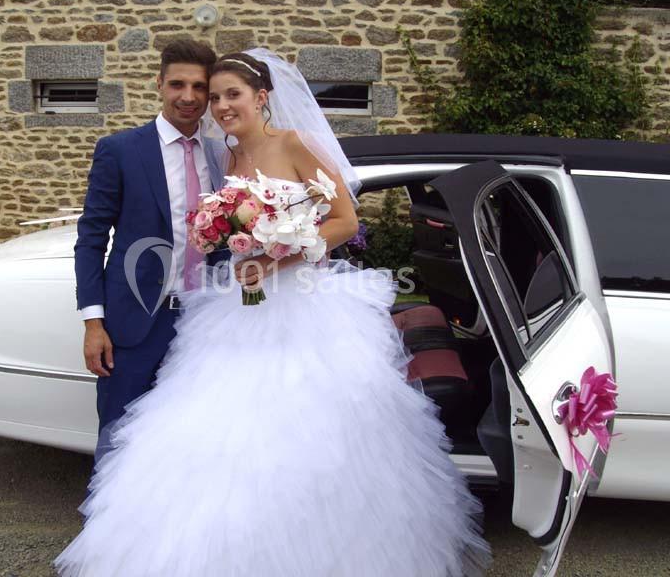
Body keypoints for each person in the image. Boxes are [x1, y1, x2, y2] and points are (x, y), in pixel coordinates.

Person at [57, 49, 490, 576]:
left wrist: (281, 250)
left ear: (262, 96)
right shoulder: (219, 156)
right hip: (222, 309)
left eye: (225, 94)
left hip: (298, 309)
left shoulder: (286, 144)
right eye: (208, 95)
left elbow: (344, 220)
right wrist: (95, 318)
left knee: (299, 432)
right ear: (161, 86)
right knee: (182, 432)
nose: (212, 104)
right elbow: (101, 235)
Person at [73, 39, 227, 464]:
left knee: (190, 437)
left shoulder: (222, 156)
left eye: (199, 87)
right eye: (178, 84)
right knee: (119, 437)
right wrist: (93, 323)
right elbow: (90, 238)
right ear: (159, 83)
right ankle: (109, 529)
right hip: (135, 322)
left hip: (204, 322)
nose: (188, 97)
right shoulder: (120, 150)